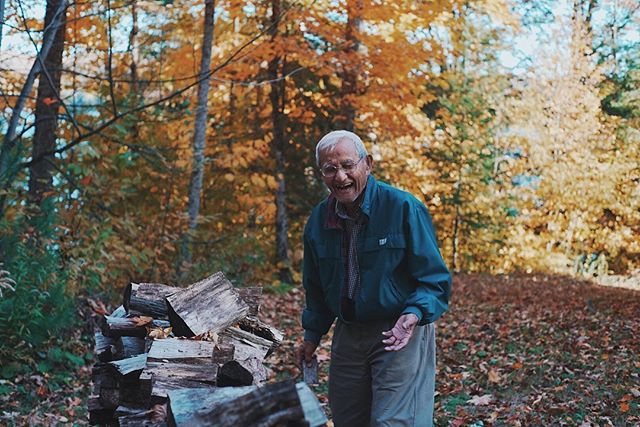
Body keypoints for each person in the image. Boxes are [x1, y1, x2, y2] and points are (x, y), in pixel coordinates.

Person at [295, 130, 451, 427]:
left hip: (399, 330)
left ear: (367, 163)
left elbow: (434, 280)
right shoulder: (319, 220)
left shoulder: (403, 208)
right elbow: (315, 287)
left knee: (393, 421)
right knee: (348, 419)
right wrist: (312, 336)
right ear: (322, 174)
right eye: (330, 169)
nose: (340, 177)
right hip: (349, 331)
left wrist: (414, 313)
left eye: (347, 165)